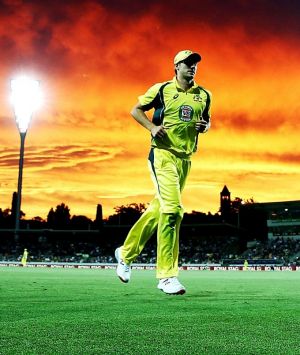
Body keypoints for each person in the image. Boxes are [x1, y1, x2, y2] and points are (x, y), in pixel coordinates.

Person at [115, 50, 212, 295]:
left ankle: (125, 254)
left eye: (195, 64)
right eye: (188, 64)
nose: (192, 67)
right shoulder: (161, 90)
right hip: (162, 155)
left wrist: (206, 126)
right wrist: (151, 127)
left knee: (160, 208)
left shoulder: (204, 95)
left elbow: (206, 120)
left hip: (185, 159)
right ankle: (167, 276)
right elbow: (135, 110)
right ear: (176, 66)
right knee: (173, 210)